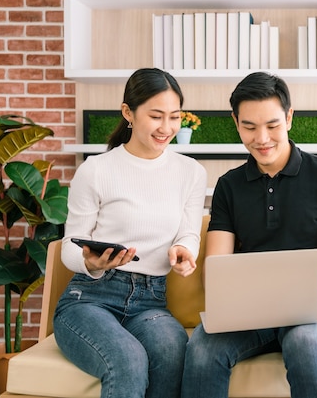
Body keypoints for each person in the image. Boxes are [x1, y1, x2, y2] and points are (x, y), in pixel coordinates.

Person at [181, 72, 317, 398]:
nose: (261, 138)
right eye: (249, 127)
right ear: (235, 122)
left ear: (289, 117)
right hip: (251, 311)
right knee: (202, 348)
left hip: (315, 307)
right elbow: (216, 270)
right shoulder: (228, 186)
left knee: (306, 343)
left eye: (272, 125)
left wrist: (292, 291)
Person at [53, 67, 207, 398]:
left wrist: (183, 250)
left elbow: (189, 233)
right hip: (90, 300)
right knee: (127, 358)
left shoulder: (191, 173)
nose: (166, 128)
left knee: (174, 350)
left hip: (151, 301)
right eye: (156, 116)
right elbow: (69, 247)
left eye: (175, 117)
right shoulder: (96, 170)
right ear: (128, 113)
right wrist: (92, 265)